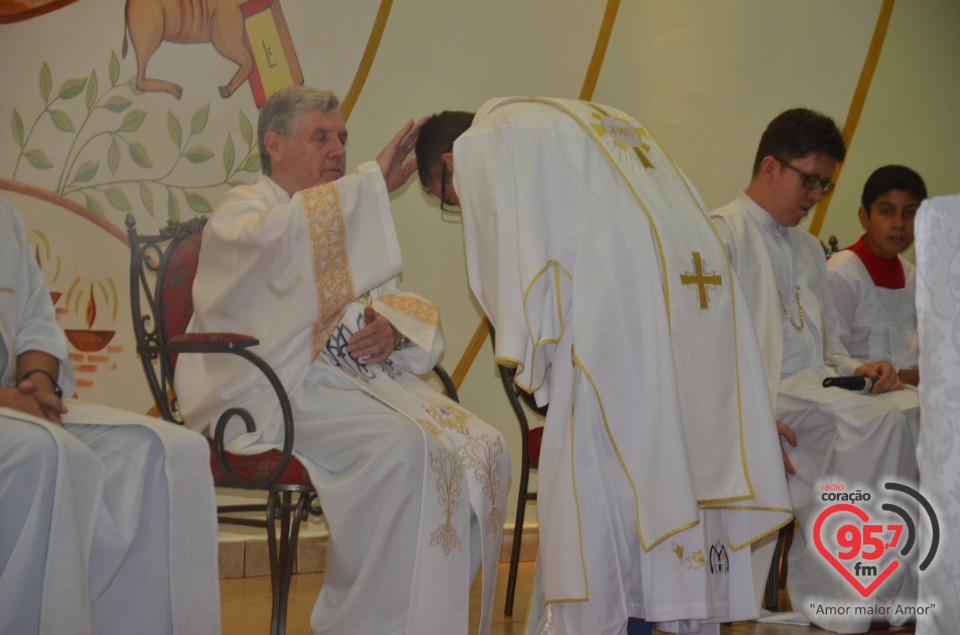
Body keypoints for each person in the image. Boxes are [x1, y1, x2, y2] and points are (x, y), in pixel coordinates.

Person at [416, 98, 793, 635]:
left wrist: (535, 357)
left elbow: (510, 278)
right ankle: (659, 615)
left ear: (451, 164)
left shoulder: (486, 142)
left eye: (448, 198)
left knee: (602, 495)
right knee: (672, 475)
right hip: (686, 301)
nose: (461, 207)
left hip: (615, 334)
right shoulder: (580, 120)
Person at [174, 86, 509, 635]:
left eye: (343, 138)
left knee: (486, 449)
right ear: (274, 145)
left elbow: (384, 296)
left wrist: (390, 328)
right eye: (321, 137)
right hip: (272, 391)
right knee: (406, 450)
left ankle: (425, 618)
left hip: (349, 382)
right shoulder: (243, 213)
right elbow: (280, 258)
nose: (337, 149)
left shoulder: (337, 216)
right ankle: (363, 623)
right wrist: (367, 184)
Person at [711, 109, 920, 632]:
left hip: (816, 387)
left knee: (915, 411)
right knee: (878, 423)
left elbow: (830, 345)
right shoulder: (720, 234)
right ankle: (834, 597)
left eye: (823, 187)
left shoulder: (806, 246)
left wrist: (862, 368)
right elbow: (706, 350)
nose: (814, 197)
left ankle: (889, 589)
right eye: (809, 181)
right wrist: (747, 415)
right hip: (765, 395)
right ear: (769, 167)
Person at [0, 196, 220, 634]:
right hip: (10, 412)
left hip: (18, 401)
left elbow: (35, 323)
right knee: (43, 453)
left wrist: (39, 386)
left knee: (168, 452)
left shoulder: (3, 216)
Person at [827, 165, 927, 387]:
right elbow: (830, 356)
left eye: (910, 213)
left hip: (916, 398)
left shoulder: (916, 277)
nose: (898, 224)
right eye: (887, 211)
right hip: (864, 398)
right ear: (865, 217)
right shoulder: (840, 273)